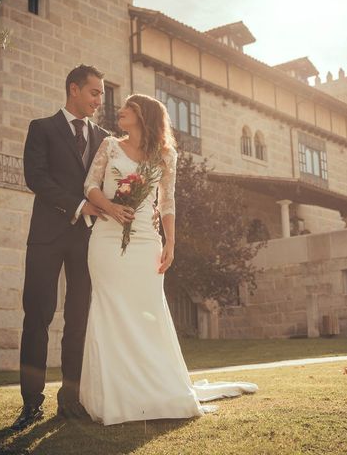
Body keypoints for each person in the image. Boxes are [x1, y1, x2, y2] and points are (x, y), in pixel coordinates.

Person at [80, 94, 257, 425]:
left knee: (146, 314)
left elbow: (168, 201)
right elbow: (90, 185)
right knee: (109, 309)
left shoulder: (165, 155)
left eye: (127, 109)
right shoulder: (109, 146)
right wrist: (111, 207)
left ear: (143, 116)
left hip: (147, 240)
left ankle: (154, 389)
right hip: (105, 237)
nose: (119, 112)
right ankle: (114, 396)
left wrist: (171, 242)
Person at [12, 65, 111, 431]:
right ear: (74, 89)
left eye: (101, 94)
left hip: (87, 240)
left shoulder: (104, 138)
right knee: (37, 317)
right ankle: (31, 403)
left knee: (79, 319)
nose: (99, 100)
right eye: (95, 93)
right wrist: (78, 205)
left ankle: (70, 399)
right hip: (46, 236)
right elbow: (36, 177)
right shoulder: (42, 128)